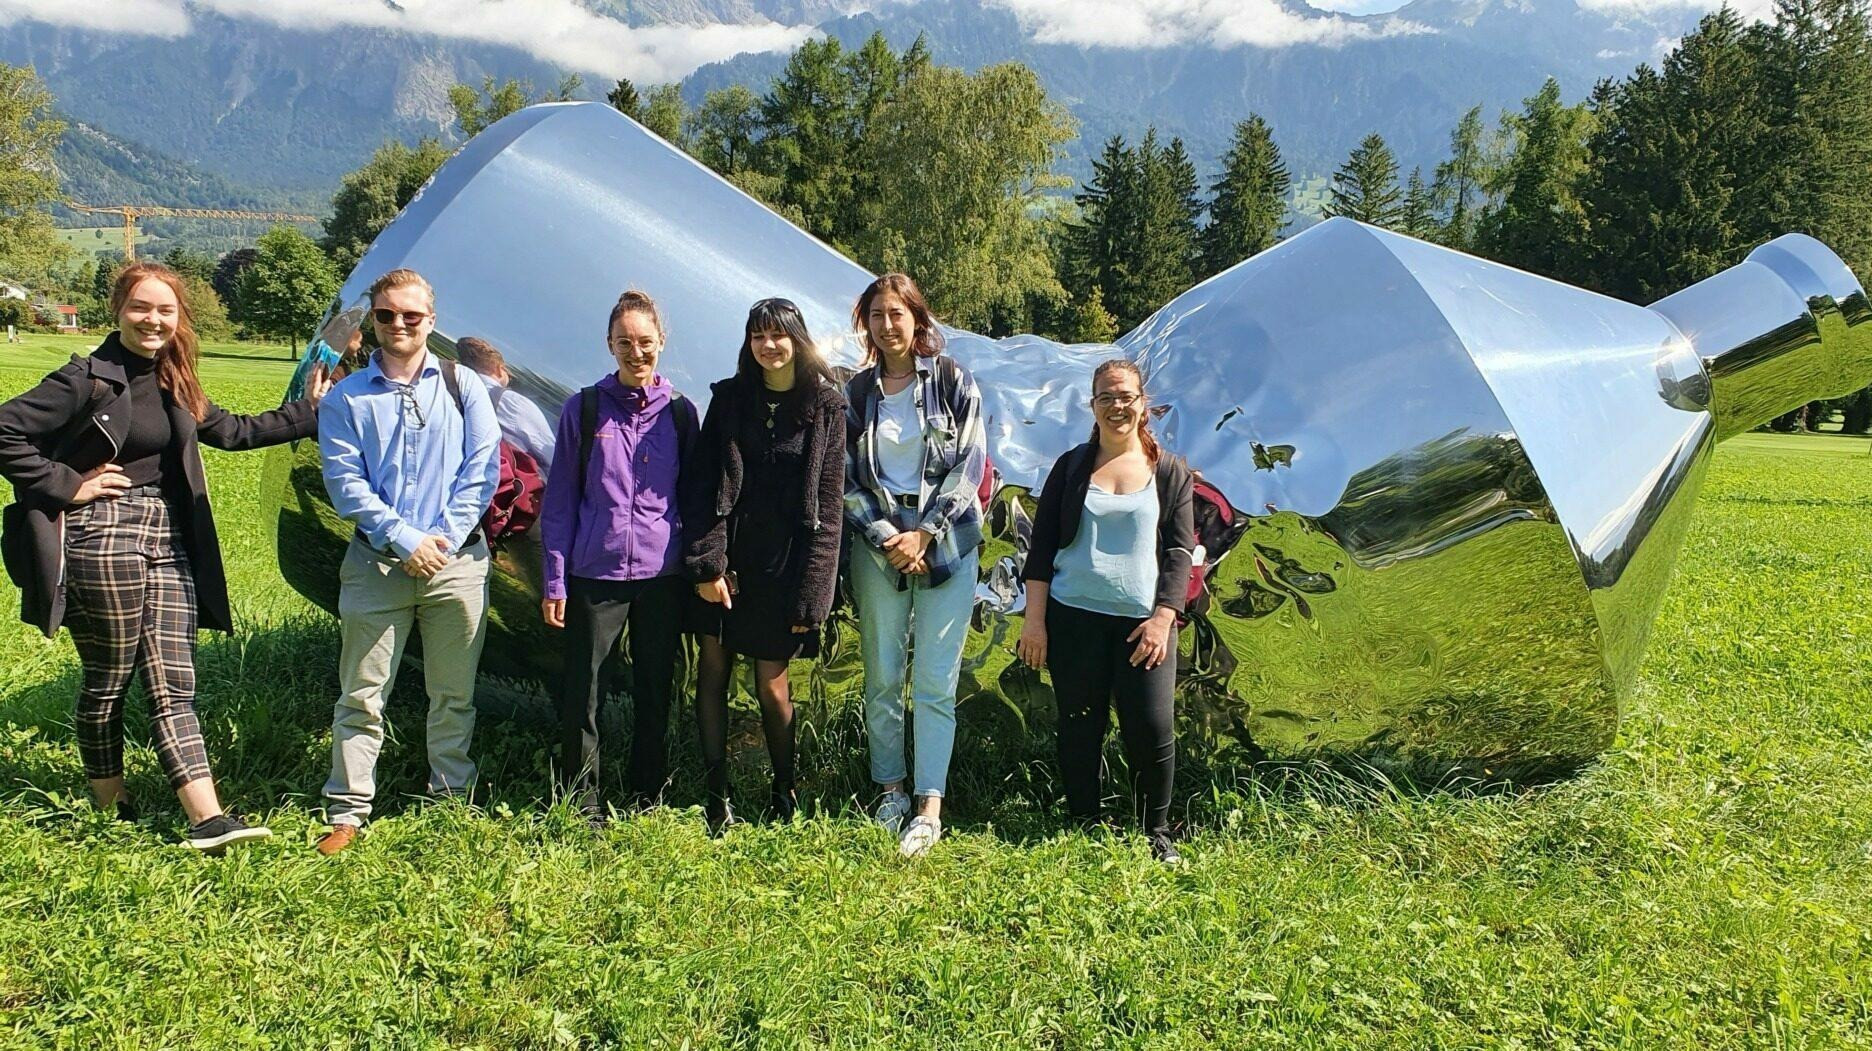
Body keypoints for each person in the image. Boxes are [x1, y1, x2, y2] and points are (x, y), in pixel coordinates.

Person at [0, 262, 327, 852]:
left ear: (180, 319)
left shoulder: (176, 376)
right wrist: (66, 484)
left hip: (169, 535)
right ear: (118, 310)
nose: (153, 320)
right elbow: (4, 430)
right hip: (102, 534)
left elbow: (231, 432)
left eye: (165, 310)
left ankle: (207, 820)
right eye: (141, 308)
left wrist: (312, 411)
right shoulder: (86, 378)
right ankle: (109, 800)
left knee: (173, 679)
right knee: (110, 677)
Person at [313, 268, 502, 856]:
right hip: (377, 568)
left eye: (411, 316)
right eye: (387, 314)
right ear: (373, 319)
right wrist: (403, 540)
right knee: (361, 696)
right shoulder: (346, 397)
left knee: (453, 693)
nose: (399, 324)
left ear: (431, 320)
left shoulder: (462, 385)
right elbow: (345, 484)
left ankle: (449, 796)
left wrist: (439, 540)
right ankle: (347, 812)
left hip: (457, 565)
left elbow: (483, 467)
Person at [1015, 358, 1195, 864]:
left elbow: (1182, 552)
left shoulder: (1171, 473)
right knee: (1079, 723)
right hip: (1073, 619)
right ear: (1092, 406)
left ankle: (1156, 831)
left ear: (1143, 403)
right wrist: (1035, 621)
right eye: (1106, 398)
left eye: (1126, 397)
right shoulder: (1072, 466)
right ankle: (1084, 822)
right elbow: (1042, 547)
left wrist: (1164, 618)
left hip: (1144, 627)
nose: (1117, 406)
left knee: (1152, 728)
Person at [685, 298, 845, 831]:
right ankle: (717, 795)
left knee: (771, 685)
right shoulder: (729, 400)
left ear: (797, 340)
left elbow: (827, 505)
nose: (768, 345)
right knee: (713, 672)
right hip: (725, 560)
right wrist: (707, 566)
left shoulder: (825, 406)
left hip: (784, 565)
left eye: (778, 335)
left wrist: (813, 596)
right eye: (757, 336)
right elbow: (702, 484)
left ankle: (785, 789)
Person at [538, 291, 698, 822]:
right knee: (584, 692)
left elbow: (695, 498)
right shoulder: (583, 409)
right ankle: (582, 803)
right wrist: (556, 580)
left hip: (661, 576)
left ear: (661, 343)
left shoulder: (680, 414)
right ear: (609, 344)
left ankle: (646, 795)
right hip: (595, 572)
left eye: (645, 342)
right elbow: (559, 499)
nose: (636, 353)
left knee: (655, 689)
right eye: (625, 342)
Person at [843, 273, 987, 857]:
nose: (887, 324)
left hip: (947, 546)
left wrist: (925, 533)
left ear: (918, 319)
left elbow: (971, 463)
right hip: (878, 546)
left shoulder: (954, 380)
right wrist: (888, 538)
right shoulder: (854, 394)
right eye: (876, 314)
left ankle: (929, 807)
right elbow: (845, 480)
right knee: (881, 676)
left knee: (933, 681)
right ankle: (891, 792)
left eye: (897, 313)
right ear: (867, 324)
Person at [456, 335, 556, 470]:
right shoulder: (513, 403)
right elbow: (553, 457)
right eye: (505, 370)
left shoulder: (450, 390)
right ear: (498, 368)